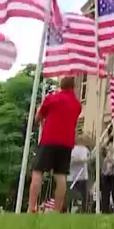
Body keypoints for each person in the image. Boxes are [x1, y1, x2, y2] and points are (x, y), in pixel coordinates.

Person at [27, 77, 82, 214]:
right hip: (67, 142)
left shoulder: (52, 98)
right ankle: (57, 209)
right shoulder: (77, 105)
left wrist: (39, 109)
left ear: (61, 86)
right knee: (61, 175)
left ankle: (32, 207)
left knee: (38, 171)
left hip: (49, 139)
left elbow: (38, 119)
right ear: (73, 87)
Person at [66, 137, 90, 213]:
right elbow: (71, 160)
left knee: (84, 197)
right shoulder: (71, 149)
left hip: (83, 177)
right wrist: (82, 160)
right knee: (72, 196)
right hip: (73, 177)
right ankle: (68, 210)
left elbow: (89, 158)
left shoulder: (85, 149)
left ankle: (84, 211)